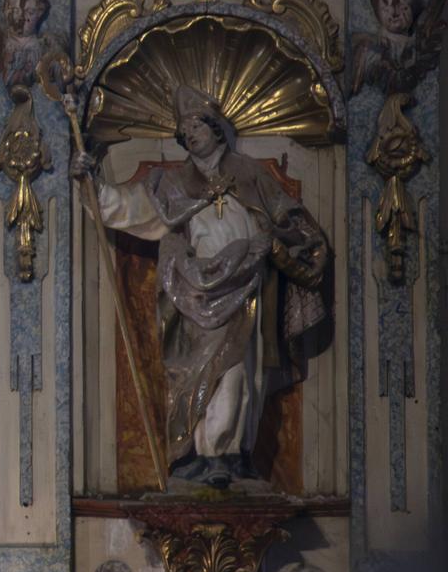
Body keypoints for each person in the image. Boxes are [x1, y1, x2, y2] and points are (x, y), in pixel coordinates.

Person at [72, 85, 331, 489]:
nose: (190, 133)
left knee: (241, 375)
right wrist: (91, 181)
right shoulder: (173, 185)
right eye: (184, 129)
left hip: (246, 288)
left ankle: (231, 453)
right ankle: (204, 452)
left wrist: (275, 243)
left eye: (196, 125)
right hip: (198, 293)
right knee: (200, 372)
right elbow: (127, 208)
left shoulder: (251, 176)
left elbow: (290, 220)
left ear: (216, 129)